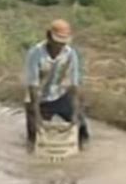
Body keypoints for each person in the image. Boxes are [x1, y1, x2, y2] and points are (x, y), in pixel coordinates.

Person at [23, 19, 89, 151]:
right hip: (38, 99)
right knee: (35, 139)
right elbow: (33, 85)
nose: (59, 46)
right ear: (48, 36)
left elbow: (75, 84)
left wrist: (76, 113)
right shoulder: (35, 53)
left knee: (81, 128)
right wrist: (37, 116)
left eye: (63, 43)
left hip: (60, 95)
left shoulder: (70, 53)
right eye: (57, 42)